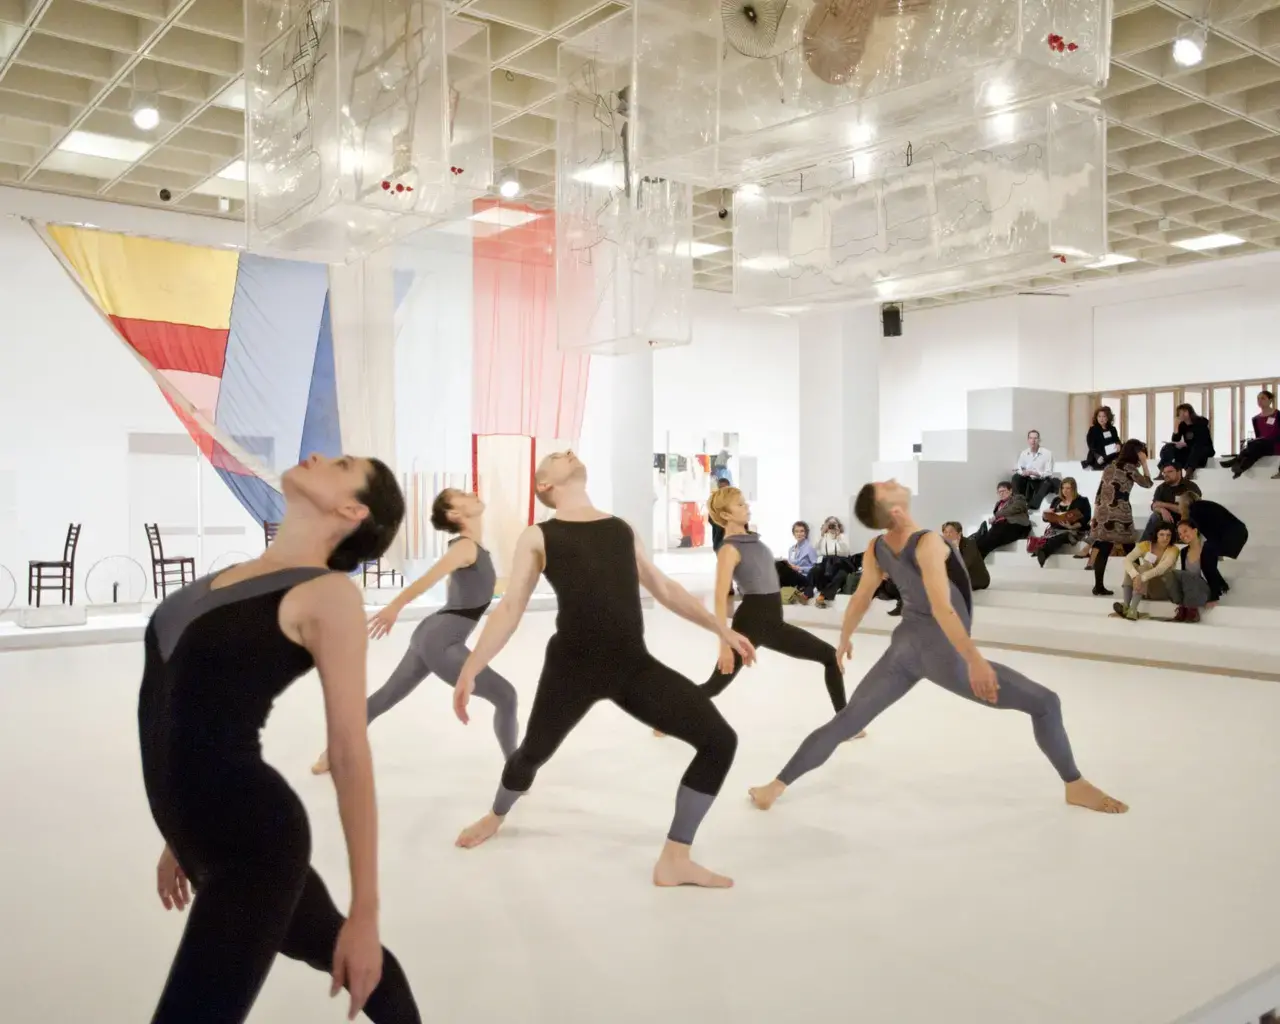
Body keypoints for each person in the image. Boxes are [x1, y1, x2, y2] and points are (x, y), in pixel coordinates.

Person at [139, 454, 421, 1024]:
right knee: (329, 945)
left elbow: (348, 749)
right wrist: (179, 828)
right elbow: (192, 714)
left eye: (340, 464)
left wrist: (365, 914)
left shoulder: (329, 594)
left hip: (255, 848)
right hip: (208, 834)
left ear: (351, 510)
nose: (317, 455)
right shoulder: (231, 575)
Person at [451, 451, 755, 889]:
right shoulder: (539, 536)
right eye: (555, 457)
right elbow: (511, 607)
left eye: (567, 451)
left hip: (632, 666)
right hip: (570, 670)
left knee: (719, 741)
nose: (565, 453)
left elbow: (664, 588)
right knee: (532, 754)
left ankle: (675, 858)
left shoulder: (619, 528)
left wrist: (719, 629)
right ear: (545, 486)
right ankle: (496, 813)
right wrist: (471, 668)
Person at [746, 479, 1127, 816]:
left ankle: (773, 788)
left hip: (904, 647)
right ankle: (1074, 784)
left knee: (846, 722)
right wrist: (973, 659)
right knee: (1047, 703)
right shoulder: (927, 542)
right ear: (895, 509)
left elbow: (862, 596)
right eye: (889, 483)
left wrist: (844, 637)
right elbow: (942, 606)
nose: (895, 479)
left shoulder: (878, 546)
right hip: (942, 653)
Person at [311, 488, 517, 776]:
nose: (471, 492)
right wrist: (395, 605)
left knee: (385, 697)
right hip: (443, 641)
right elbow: (427, 579)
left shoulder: (473, 549)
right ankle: (516, 770)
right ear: (454, 514)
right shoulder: (464, 548)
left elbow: (468, 594)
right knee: (507, 697)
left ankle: (331, 753)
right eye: (460, 494)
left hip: (431, 635)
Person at [700, 487, 850, 717]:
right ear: (726, 514)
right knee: (715, 686)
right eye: (740, 505)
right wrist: (724, 647)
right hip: (752, 623)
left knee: (830, 657)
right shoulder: (728, 550)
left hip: (773, 623)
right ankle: (666, 715)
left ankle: (845, 722)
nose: (746, 506)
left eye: (744, 502)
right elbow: (720, 600)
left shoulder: (752, 540)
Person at [1088, 440, 1152, 597]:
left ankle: (1099, 586)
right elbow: (1148, 483)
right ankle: (1140, 587)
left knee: (1103, 548)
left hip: (1103, 512)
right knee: (1130, 549)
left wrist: (1095, 514)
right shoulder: (1130, 468)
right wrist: (1144, 463)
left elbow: (1099, 492)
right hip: (1119, 511)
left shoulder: (1110, 466)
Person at [1177, 493, 1248, 603]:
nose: (1178, 507)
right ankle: (1221, 586)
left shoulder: (1195, 510)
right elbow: (1211, 530)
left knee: (1206, 555)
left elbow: (1207, 533)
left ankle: (1215, 593)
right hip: (1235, 533)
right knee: (1207, 555)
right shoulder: (1200, 507)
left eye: (1179, 504)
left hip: (1232, 534)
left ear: (1185, 503)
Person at [1113, 525, 1179, 621]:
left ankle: (1133, 609)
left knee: (1144, 568)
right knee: (1133, 567)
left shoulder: (1174, 549)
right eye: (1162, 534)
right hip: (1144, 587)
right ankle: (1126, 607)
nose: (1165, 538)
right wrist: (1135, 576)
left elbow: (1160, 569)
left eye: (1168, 535)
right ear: (1156, 534)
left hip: (1162, 588)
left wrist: (1140, 578)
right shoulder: (1145, 545)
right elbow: (1127, 560)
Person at [1221, 390, 1278, 479]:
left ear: (1270, 400)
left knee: (1254, 444)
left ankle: (1237, 460)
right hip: (1261, 446)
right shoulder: (1255, 419)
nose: (1260, 401)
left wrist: (1264, 441)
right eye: (1258, 399)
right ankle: (1241, 468)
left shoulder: (1277, 415)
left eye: (1263, 398)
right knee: (1254, 445)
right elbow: (1258, 435)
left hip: (1275, 445)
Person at [1035, 477, 1091, 566]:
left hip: (1073, 530)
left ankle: (1043, 551)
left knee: (1062, 536)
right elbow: (1047, 518)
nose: (1065, 491)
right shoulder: (1056, 500)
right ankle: (1043, 552)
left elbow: (1086, 519)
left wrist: (1071, 526)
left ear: (1074, 488)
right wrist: (1045, 515)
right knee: (1055, 535)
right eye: (1063, 488)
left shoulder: (1082, 501)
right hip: (1055, 529)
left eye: (1068, 488)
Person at [1140, 463, 1200, 543]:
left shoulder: (1190, 486)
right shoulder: (1161, 488)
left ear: (1179, 472)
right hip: (1167, 520)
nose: (1166, 475)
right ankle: (1144, 545)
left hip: (1185, 520)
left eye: (1169, 472)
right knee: (1155, 516)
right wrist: (1162, 510)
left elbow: (1186, 510)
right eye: (1164, 472)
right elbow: (1154, 506)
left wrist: (1163, 505)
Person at [971, 481, 1031, 557]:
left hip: (1016, 525)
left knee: (991, 537)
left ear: (1010, 491)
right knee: (984, 539)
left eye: (1003, 491)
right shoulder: (998, 504)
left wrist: (996, 516)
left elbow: (1014, 508)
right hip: (1001, 527)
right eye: (999, 492)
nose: (1001, 494)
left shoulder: (1018, 498)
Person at [1171, 521, 1213, 623]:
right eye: (1180, 534)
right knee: (1172, 574)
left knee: (1185, 575)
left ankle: (1192, 611)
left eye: (1185, 531)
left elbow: (1213, 574)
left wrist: (1214, 598)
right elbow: (1184, 576)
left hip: (1203, 588)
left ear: (1195, 530)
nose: (1182, 535)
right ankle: (1183, 608)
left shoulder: (1208, 549)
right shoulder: (1184, 551)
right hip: (1189, 589)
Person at [1159, 403, 1214, 478]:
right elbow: (1175, 440)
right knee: (1168, 447)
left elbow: (1202, 441)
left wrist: (1186, 444)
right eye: (1180, 412)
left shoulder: (1200, 423)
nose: (1182, 414)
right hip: (1190, 451)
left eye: (1184, 411)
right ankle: (1163, 471)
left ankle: (1189, 472)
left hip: (1203, 450)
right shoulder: (1182, 425)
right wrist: (1176, 427)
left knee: (1196, 447)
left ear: (1190, 412)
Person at [811, 515, 853, 608]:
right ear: (825, 525)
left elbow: (846, 552)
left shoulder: (842, 536)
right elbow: (814, 547)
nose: (831, 526)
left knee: (842, 574)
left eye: (834, 524)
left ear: (838, 525)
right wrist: (822, 533)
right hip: (826, 563)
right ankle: (827, 590)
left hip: (841, 563)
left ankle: (822, 595)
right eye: (829, 524)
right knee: (815, 570)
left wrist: (838, 537)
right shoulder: (823, 536)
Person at [1011, 429, 1057, 509]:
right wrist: (1023, 472)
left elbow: (1049, 473)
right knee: (1015, 477)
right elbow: (1019, 468)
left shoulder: (1047, 453)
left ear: (1039, 440)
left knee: (1048, 482)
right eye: (1031, 438)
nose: (1033, 441)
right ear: (1028, 440)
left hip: (1040, 480)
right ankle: (1018, 502)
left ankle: (1033, 505)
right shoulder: (1024, 453)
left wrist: (1035, 473)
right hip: (1028, 479)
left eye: (1035, 438)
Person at [776, 520, 818, 602]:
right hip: (793, 575)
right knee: (778, 565)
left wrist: (799, 568)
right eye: (796, 531)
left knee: (779, 565)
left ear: (806, 533)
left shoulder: (809, 548)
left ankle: (804, 593)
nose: (799, 533)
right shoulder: (791, 549)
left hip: (803, 577)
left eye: (802, 531)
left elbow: (815, 568)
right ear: (794, 534)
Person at [941, 521, 989, 590]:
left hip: (977, 578)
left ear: (959, 534)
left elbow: (964, 565)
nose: (947, 535)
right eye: (945, 532)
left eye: (951, 532)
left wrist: (956, 548)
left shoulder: (969, 544)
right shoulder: (945, 546)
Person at [1082, 406, 1121, 470]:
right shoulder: (1093, 430)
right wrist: (1097, 456)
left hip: (1111, 456)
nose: (1101, 419)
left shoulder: (1112, 429)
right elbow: (1091, 446)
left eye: (1104, 416)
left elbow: (1117, 440)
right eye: (1099, 416)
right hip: (1098, 458)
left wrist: (1118, 444)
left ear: (1108, 417)